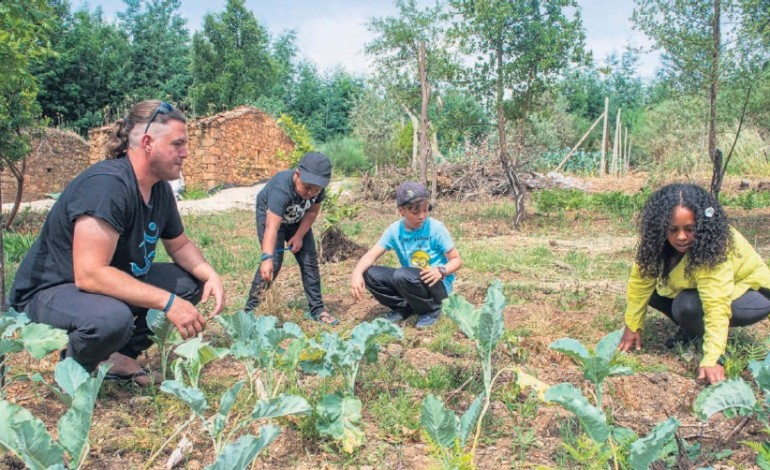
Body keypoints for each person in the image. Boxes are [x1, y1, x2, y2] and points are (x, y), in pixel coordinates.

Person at [9, 100, 225, 386]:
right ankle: (76, 364)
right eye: (177, 144)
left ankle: (115, 356)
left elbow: (180, 245)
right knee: (112, 319)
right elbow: (89, 274)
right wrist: (168, 302)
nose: (185, 153)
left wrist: (209, 273)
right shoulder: (107, 185)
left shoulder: (158, 189)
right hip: (52, 291)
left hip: (101, 285)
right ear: (148, 142)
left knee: (189, 283)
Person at [618, 183, 770, 385]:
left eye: (690, 229)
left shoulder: (714, 245)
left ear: (702, 225)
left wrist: (713, 358)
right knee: (652, 288)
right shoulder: (657, 243)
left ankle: (709, 339)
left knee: (687, 305)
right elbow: (640, 281)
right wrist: (633, 326)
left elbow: (716, 303)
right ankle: (693, 330)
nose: (681, 237)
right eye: (673, 229)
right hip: (712, 293)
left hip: (752, 294)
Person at [350, 181, 462, 328]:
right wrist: (357, 272)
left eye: (425, 210)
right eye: (415, 212)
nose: (422, 216)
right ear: (401, 211)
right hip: (411, 279)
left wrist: (441, 271)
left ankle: (432, 309)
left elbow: (457, 260)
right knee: (369, 273)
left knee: (402, 275)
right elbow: (371, 255)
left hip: (437, 285)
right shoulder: (395, 231)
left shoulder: (436, 228)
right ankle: (404, 308)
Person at [244, 151, 338, 325]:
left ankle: (317, 309)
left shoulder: (318, 189)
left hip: (297, 219)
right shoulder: (282, 188)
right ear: (297, 174)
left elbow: (312, 211)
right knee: (274, 262)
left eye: (315, 190)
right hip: (271, 217)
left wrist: (299, 235)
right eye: (307, 187)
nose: (311, 193)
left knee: (309, 260)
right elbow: (272, 227)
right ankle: (249, 312)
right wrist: (267, 258)